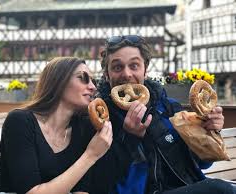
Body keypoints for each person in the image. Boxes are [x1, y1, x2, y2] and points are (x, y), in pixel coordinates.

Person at [94, 35, 236, 194]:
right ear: (107, 75)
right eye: (117, 67)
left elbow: (202, 164)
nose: (127, 74)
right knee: (220, 189)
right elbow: (101, 181)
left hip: (187, 186)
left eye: (134, 65)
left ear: (145, 70)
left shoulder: (168, 107)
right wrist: (130, 139)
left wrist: (208, 131)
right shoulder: (100, 118)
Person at [0, 57, 114, 194]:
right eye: (83, 78)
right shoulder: (20, 122)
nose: (93, 87)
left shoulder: (83, 127)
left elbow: (82, 190)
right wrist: (91, 155)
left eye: (93, 81)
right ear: (59, 81)